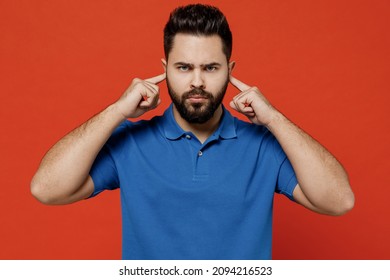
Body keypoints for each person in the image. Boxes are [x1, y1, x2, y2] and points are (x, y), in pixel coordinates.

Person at [31, 4, 354, 259]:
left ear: (230, 71)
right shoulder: (132, 143)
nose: (197, 82)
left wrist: (275, 120)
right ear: (165, 70)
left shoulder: (263, 146)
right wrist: (116, 111)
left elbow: (339, 201)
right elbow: (47, 189)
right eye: (184, 67)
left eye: (210, 68)